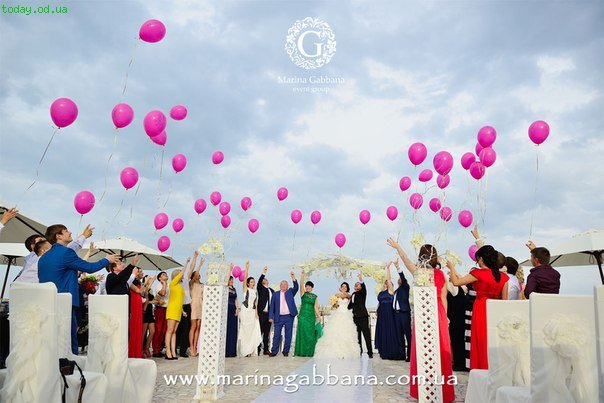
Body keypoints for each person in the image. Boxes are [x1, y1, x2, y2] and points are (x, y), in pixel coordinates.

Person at [387, 238, 455, 402]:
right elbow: (444, 298)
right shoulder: (441, 275)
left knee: (423, 351)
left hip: (423, 314)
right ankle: (444, 391)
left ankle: (423, 391)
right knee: (440, 350)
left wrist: (397, 246)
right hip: (438, 313)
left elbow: (405, 260)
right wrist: (445, 317)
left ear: (421, 256)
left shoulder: (418, 271)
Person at [38, 224, 118, 354]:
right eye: (66, 231)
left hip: (48, 303)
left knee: (53, 340)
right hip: (65, 302)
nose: (70, 232)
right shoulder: (66, 252)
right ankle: (70, 364)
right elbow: (90, 268)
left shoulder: (44, 257)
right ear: (58, 236)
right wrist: (107, 259)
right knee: (69, 340)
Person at [449, 245, 509, 370]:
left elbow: (455, 282)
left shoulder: (478, 273)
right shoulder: (503, 277)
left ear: (481, 258)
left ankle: (480, 368)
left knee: (480, 340)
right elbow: (505, 301)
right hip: (495, 310)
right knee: (492, 340)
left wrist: (451, 268)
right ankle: (493, 367)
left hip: (481, 308)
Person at [315, 282, 360, 359]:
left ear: (347, 288)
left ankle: (346, 353)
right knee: (335, 332)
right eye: (342, 286)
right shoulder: (336, 295)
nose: (344, 288)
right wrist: (334, 304)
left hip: (346, 315)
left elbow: (351, 302)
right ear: (340, 287)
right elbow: (334, 306)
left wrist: (343, 292)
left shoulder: (349, 295)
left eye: (345, 287)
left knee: (346, 333)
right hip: (338, 314)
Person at [165, 258, 193, 360]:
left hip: (178, 310)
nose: (182, 275)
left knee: (174, 332)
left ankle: (173, 352)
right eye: (180, 274)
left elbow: (179, 300)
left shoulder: (180, 287)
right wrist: (186, 262)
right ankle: (168, 351)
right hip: (172, 309)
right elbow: (182, 273)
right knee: (170, 331)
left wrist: (182, 311)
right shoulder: (172, 284)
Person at [375, 262, 404, 360]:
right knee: (382, 331)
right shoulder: (381, 292)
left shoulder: (391, 291)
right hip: (381, 313)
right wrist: (377, 310)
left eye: (388, 282)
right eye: (386, 282)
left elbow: (389, 279)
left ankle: (391, 351)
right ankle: (384, 351)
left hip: (388, 313)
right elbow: (380, 302)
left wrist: (388, 268)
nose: (387, 283)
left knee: (389, 330)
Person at [268, 272, 298, 357]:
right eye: (282, 284)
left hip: (289, 317)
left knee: (288, 335)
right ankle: (274, 351)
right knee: (276, 335)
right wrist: (270, 317)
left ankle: (285, 351)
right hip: (278, 317)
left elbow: (296, 287)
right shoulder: (275, 294)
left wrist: (293, 278)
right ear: (280, 286)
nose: (283, 285)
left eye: (285, 284)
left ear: (287, 286)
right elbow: (272, 306)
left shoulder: (290, 292)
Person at [128, 269, 154, 358]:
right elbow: (140, 291)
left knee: (139, 329)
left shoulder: (138, 282)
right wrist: (146, 282)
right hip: (134, 305)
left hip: (139, 305)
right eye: (139, 271)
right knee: (134, 329)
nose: (141, 273)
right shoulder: (131, 281)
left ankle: (138, 350)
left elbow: (144, 293)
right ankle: (133, 352)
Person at [238, 262, 263, 357]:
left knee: (253, 331)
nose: (253, 283)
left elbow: (255, 303)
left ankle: (252, 350)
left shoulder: (255, 292)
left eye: (254, 282)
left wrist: (256, 313)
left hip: (252, 312)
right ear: (248, 283)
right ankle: (245, 351)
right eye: (252, 282)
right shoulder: (246, 289)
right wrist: (246, 268)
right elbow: (244, 279)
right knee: (246, 331)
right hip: (245, 311)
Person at [294, 271, 320, 357]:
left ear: (312, 288)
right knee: (302, 334)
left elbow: (316, 307)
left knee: (310, 335)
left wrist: (319, 316)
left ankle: (309, 352)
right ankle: (301, 352)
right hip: (303, 317)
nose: (308, 287)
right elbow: (301, 285)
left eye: (309, 286)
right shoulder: (303, 294)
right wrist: (302, 276)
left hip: (311, 317)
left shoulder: (315, 297)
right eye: (307, 286)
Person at [177, 252, 198, 358]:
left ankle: (183, 350)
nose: (182, 274)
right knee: (178, 329)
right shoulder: (175, 284)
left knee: (186, 328)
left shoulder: (185, 281)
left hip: (187, 306)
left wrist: (194, 258)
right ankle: (175, 348)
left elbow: (191, 269)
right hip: (179, 307)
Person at [348, 272, 373, 358]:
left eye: (358, 284)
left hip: (363, 317)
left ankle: (370, 353)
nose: (356, 285)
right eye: (355, 284)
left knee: (366, 335)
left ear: (361, 287)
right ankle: (360, 352)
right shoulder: (353, 294)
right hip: (355, 318)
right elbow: (350, 306)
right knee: (357, 336)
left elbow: (363, 286)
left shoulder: (363, 293)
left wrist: (360, 279)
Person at [392, 259, 412, 361]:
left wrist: (398, 268)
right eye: (398, 279)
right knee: (399, 335)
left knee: (407, 334)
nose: (399, 279)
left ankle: (410, 355)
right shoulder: (396, 291)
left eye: (400, 278)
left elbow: (403, 278)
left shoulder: (405, 287)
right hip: (397, 315)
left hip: (404, 313)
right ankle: (401, 355)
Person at [447, 277, 468, 371]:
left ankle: (459, 363)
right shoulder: (462, 289)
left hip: (455, 319)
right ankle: (459, 362)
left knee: (457, 341)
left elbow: (447, 285)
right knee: (458, 341)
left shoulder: (455, 288)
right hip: (459, 318)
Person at [189, 255, 205, 357]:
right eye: (197, 274)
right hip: (194, 303)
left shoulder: (202, 285)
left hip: (201, 304)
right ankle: (191, 347)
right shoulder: (191, 284)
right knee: (193, 326)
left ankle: (195, 346)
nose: (198, 275)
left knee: (198, 327)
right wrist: (200, 264)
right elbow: (194, 276)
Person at [256, 266, 274, 355]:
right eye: (264, 279)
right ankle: (258, 349)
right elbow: (259, 281)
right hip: (261, 313)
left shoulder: (272, 290)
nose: (264, 280)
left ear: (268, 282)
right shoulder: (260, 288)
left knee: (267, 333)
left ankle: (266, 350)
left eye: (266, 279)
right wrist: (264, 273)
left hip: (269, 314)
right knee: (260, 331)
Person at [152, 271, 169, 357]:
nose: (165, 275)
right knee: (158, 330)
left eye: (166, 274)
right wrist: (164, 284)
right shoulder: (158, 286)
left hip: (167, 309)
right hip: (160, 309)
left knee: (164, 330)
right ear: (159, 278)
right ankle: (155, 350)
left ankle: (159, 349)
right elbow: (162, 293)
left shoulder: (169, 286)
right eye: (163, 274)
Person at [142, 281, 156, 359]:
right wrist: (151, 302)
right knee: (143, 333)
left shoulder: (150, 290)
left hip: (150, 312)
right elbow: (144, 300)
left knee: (152, 331)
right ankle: (141, 349)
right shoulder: (144, 288)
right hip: (145, 311)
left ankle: (146, 348)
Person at [226, 274, 238, 357]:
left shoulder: (234, 289)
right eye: (230, 280)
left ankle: (232, 351)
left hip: (233, 309)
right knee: (228, 329)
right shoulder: (225, 288)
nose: (231, 281)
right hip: (227, 309)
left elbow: (236, 299)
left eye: (232, 280)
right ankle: (227, 351)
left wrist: (237, 308)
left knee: (233, 329)